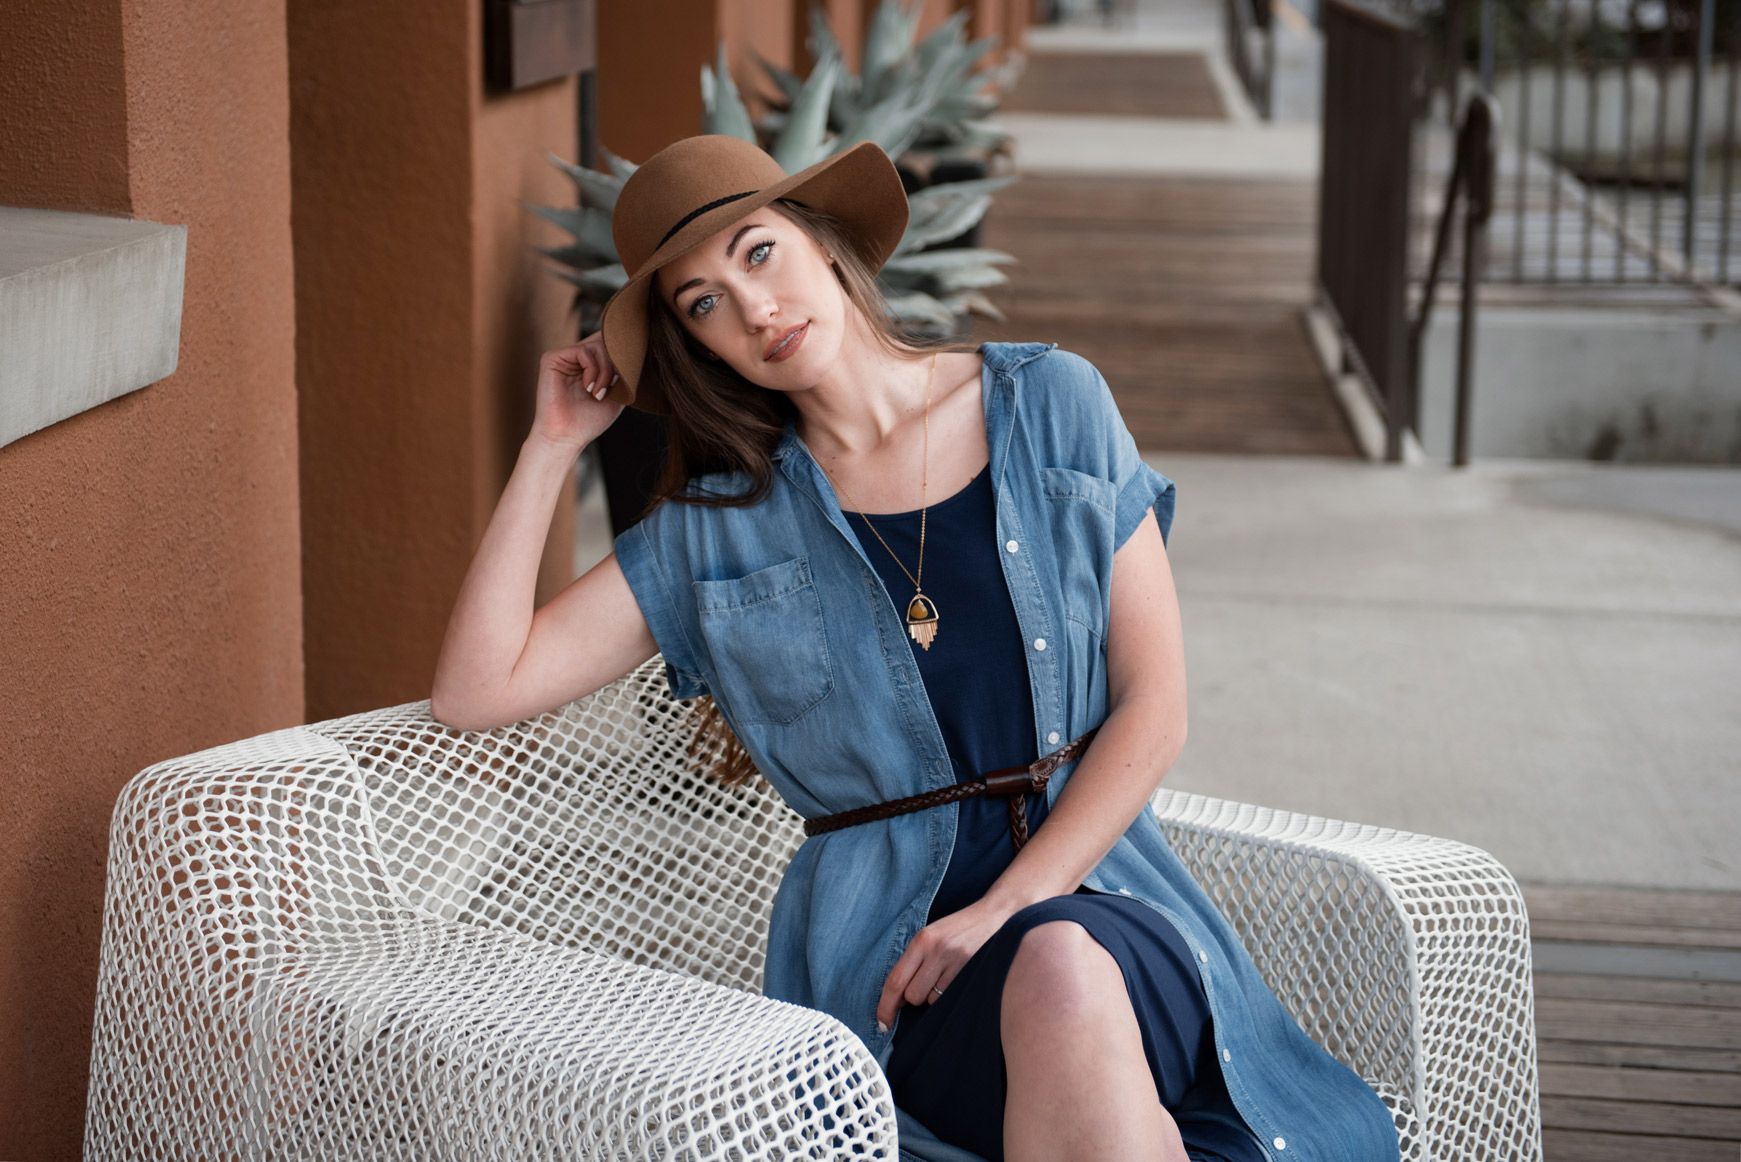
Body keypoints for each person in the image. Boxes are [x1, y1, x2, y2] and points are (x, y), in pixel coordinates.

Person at [431, 135, 1400, 1162]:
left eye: (757, 254)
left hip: (1097, 899)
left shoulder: (1051, 407)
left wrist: (1010, 905)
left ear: (824, 241)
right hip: (899, 974)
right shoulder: (718, 530)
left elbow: (1154, 704)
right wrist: (548, 451)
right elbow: (475, 689)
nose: (752, 310)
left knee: (1062, 968)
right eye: (702, 302)